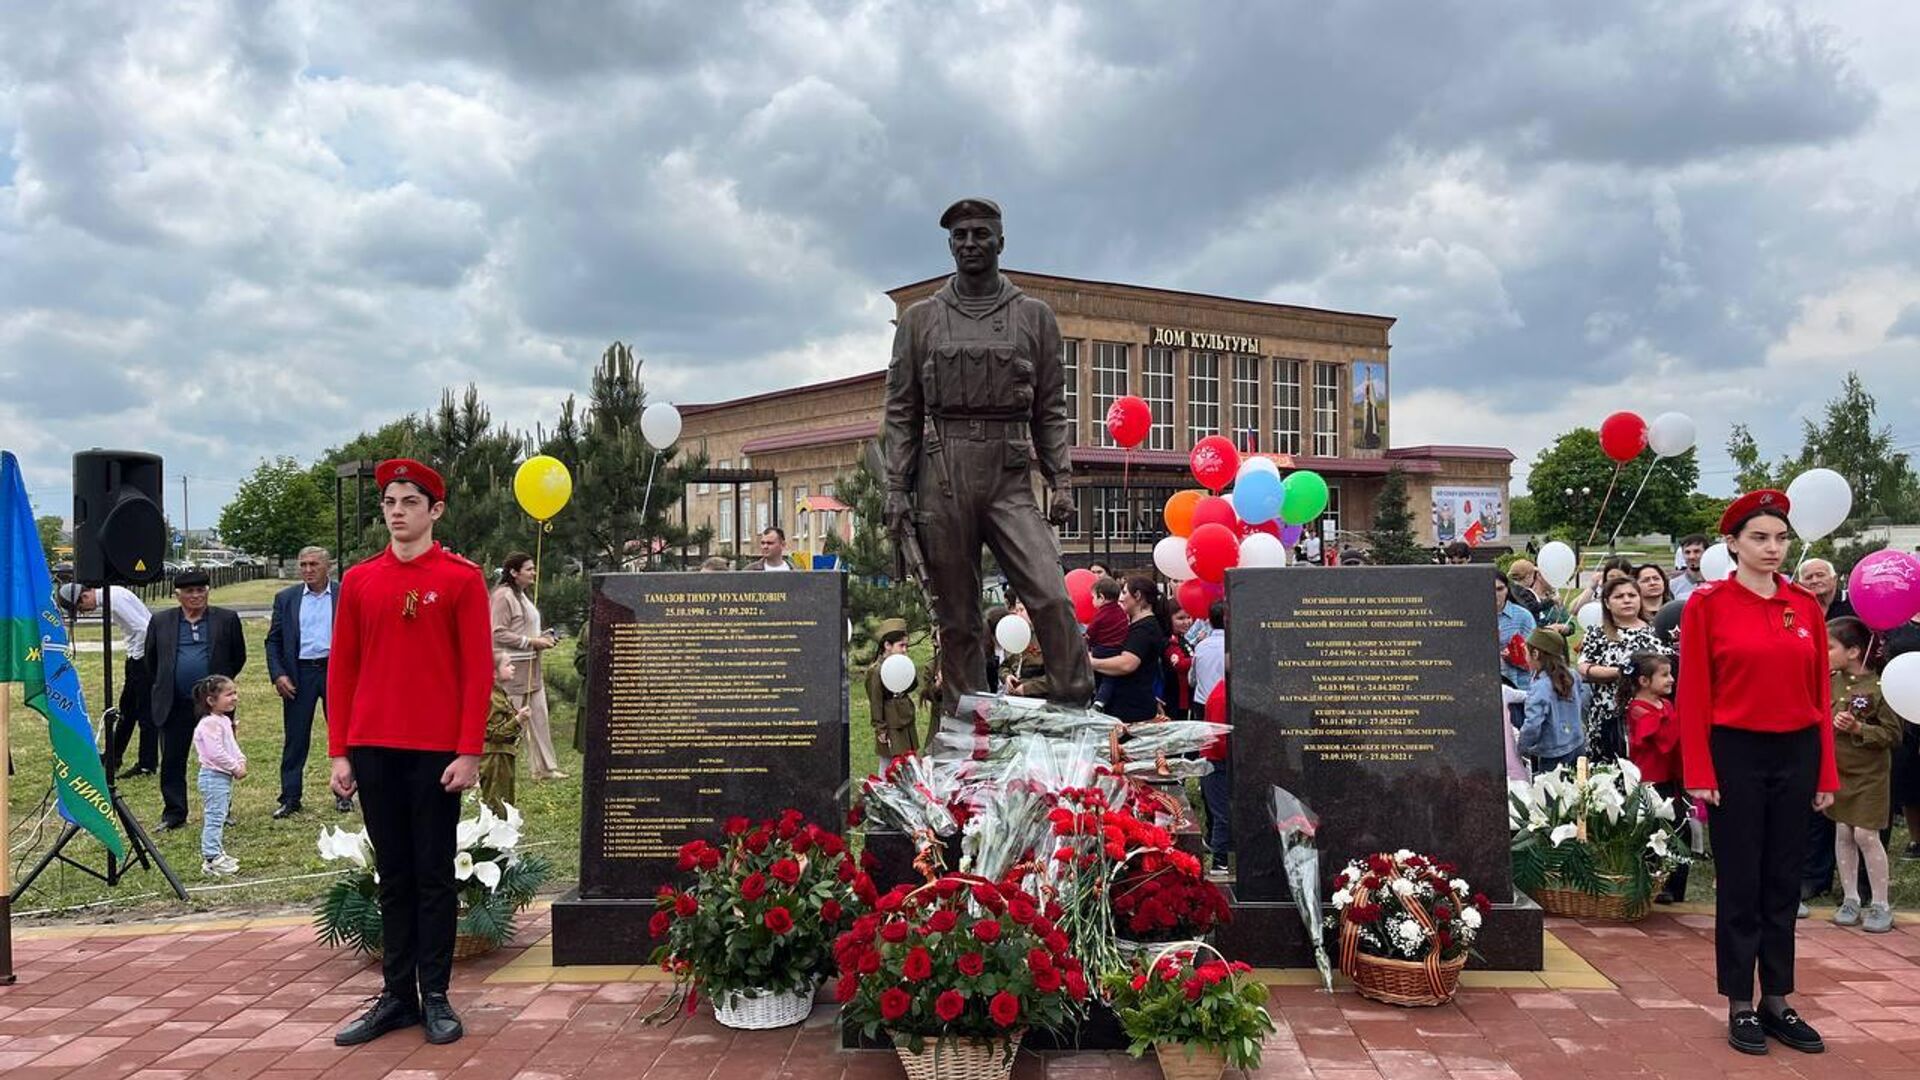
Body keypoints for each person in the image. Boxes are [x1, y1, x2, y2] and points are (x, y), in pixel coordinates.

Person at [882, 197, 1092, 713]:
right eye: (961, 236)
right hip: (941, 471)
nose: (970, 244)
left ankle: (1075, 709)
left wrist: (1061, 480)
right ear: (950, 245)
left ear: (1001, 241)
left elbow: (1050, 408)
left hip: (1009, 471)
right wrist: (895, 487)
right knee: (957, 617)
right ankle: (967, 726)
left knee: (1050, 594)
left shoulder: (1033, 317)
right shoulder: (920, 320)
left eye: (980, 234)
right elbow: (901, 411)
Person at [328, 458, 493, 1048]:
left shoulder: (461, 579)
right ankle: (397, 997)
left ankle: (438, 994)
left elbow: (478, 672)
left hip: (435, 753)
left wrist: (469, 750)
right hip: (373, 748)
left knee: (433, 876)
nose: (397, 512)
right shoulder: (361, 581)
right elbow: (342, 668)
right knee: (392, 876)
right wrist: (338, 752)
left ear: (435, 511)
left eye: (409, 503)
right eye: (390, 503)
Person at [1679, 489, 1837, 1057]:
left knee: (1783, 883)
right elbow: (1694, 692)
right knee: (1741, 882)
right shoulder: (1708, 604)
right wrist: (1698, 768)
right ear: (1733, 544)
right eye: (1759, 538)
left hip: (1796, 754)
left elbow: (1820, 692)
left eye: (1780, 538)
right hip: (1735, 754)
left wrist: (1825, 773)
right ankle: (1740, 1004)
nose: (1773, 549)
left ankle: (1777, 999)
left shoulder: (1804, 606)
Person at [147, 569, 247, 831]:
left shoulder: (226, 619)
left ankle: (221, 810)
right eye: (190, 591)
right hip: (174, 702)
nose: (196, 596)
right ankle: (174, 813)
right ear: (177, 595)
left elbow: (238, 657)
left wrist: (216, 691)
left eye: (201, 590)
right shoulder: (161, 621)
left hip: (212, 706)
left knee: (220, 756)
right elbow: (152, 661)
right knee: (171, 759)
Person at [1824, 616, 1898, 933]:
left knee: (1865, 835)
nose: (1824, 652)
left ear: (1854, 651)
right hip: (1838, 770)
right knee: (1843, 834)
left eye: (1831, 647)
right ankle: (1851, 898)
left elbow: (1893, 735)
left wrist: (1859, 728)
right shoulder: (1831, 679)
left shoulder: (1881, 688)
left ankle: (1880, 902)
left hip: (1869, 774)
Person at [265, 546, 338, 817]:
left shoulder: (343, 595)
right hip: (300, 673)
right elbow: (273, 640)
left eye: (314, 565)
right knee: (295, 738)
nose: (307, 570)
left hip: (335, 670)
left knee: (342, 734)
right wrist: (278, 674)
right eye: (303, 565)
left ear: (327, 566)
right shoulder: (286, 598)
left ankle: (344, 792)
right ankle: (290, 796)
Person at [56, 583, 156, 778]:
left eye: (80, 609)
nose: (84, 612)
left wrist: (138, 656)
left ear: (84, 597)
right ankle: (113, 756)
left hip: (144, 659)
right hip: (136, 657)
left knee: (146, 714)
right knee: (127, 710)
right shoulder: (112, 596)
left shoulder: (115, 600)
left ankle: (147, 765)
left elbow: (143, 629)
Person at [1578, 577, 1670, 762]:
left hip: (1653, 717)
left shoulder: (1656, 630)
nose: (1627, 600)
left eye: (1632, 595)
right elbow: (1583, 666)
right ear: (1607, 603)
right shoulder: (1597, 633)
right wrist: (1620, 673)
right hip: (1609, 717)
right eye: (1619, 596)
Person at [490, 553, 564, 781]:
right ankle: (495, 766)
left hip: (532, 665)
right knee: (508, 720)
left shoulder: (522, 595)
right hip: (511, 668)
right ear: (514, 572)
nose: (534, 573)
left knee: (539, 717)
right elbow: (498, 632)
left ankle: (545, 768)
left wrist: (544, 637)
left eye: (533, 568)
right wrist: (532, 642)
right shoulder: (503, 596)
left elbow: (524, 629)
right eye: (529, 569)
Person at [1624, 653, 1688, 903]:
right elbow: (1665, 741)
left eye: (1671, 673)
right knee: (1652, 834)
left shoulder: (1667, 705)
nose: (1671, 679)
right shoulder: (1639, 709)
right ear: (1643, 680)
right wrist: (1684, 714)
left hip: (1670, 780)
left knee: (1680, 831)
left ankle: (1675, 885)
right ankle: (1652, 882)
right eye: (1664, 674)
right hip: (1650, 783)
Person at [1088, 576, 1171, 723]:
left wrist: (1091, 662)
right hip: (1124, 705)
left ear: (1137, 596)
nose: (1120, 598)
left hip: (1131, 709)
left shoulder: (1145, 629)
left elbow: (1127, 664)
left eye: (1124, 592)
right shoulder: (1136, 625)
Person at [190, 674, 246, 876]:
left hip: (222, 777)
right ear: (211, 701)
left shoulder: (223, 720)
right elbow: (216, 752)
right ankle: (212, 858)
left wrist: (241, 760)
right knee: (214, 817)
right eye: (229, 694)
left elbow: (231, 746)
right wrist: (234, 767)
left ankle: (217, 851)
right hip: (213, 777)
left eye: (235, 693)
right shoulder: (209, 724)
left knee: (220, 815)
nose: (234, 698)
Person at [1517, 629, 1587, 775]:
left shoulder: (1540, 687)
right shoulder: (1572, 675)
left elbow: (1533, 724)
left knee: (1553, 794)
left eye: (1526, 653)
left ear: (1535, 654)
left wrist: (1522, 746)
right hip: (1577, 743)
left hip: (1553, 753)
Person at [481, 651, 526, 816]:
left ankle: (502, 831)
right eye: (507, 665)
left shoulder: (500, 694)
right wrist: (518, 719)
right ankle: (495, 835)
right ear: (494, 672)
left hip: (502, 754)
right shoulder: (493, 698)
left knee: (505, 797)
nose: (513, 667)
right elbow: (494, 733)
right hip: (494, 756)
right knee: (497, 800)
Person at [866, 620, 920, 759]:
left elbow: (912, 685)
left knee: (910, 760)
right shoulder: (877, 670)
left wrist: (908, 667)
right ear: (887, 645)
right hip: (891, 723)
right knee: (890, 764)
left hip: (905, 718)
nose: (904, 650)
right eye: (901, 645)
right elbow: (876, 701)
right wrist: (880, 729)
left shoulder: (901, 663)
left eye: (906, 646)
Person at [1085, 576, 1128, 711]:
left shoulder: (1100, 615)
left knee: (1100, 676)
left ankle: (1097, 700)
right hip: (1118, 650)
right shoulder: (1121, 612)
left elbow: (1091, 632)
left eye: (1093, 597)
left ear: (1101, 598)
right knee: (1110, 677)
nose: (1092, 601)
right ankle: (1101, 701)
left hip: (1100, 649)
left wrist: (1088, 643)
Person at [1496, 571, 1537, 693]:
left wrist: (1514, 656)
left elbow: (1536, 657)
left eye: (1500, 589)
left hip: (1518, 686)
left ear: (1507, 589)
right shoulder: (1475, 617)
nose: (1495, 594)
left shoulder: (1522, 616)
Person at [1162, 609, 1195, 722]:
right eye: (1180, 618)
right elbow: (1180, 664)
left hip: (1186, 697)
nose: (1186, 622)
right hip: (1176, 699)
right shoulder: (1170, 641)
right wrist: (1199, 658)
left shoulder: (1182, 638)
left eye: (1188, 617)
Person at [1669, 534, 1709, 600]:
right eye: (1687, 552)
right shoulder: (1673, 585)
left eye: (1697, 551)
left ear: (1706, 552)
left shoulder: (1719, 581)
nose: (1692, 556)